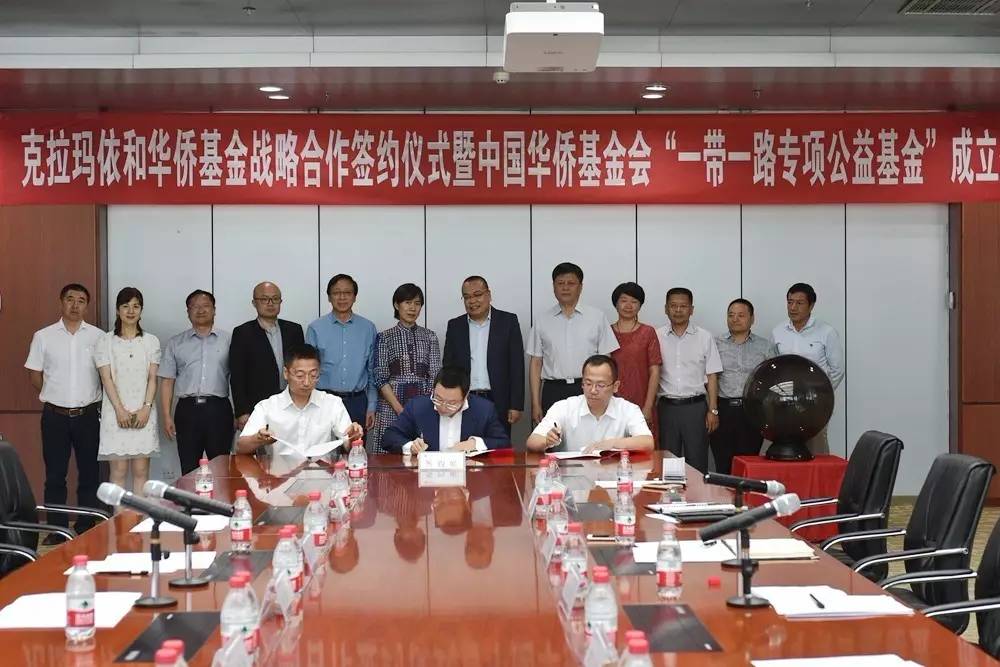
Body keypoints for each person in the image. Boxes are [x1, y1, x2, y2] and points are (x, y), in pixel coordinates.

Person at [24, 283, 104, 534]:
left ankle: (85, 527)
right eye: (70, 299)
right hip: (54, 416)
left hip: (88, 415)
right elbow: (35, 375)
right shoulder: (43, 336)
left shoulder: (98, 337)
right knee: (55, 476)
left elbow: (105, 375)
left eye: (81, 300)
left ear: (87, 306)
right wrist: (55, 395)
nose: (75, 305)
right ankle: (57, 530)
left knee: (89, 473)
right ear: (61, 302)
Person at [526, 262, 618, 426]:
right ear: (553, 287)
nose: (565, 288)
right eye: (560, 283)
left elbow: (606, 361)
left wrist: (606, 396)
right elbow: (536, 363)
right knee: (553, 438)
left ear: (580, 287)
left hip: (588, 389)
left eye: (571, 283)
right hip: (553, 390)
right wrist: (535, 403)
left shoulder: (597, 317)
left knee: (590, 437)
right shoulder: (542, 320)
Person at [236, 344, 363, 455]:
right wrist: (258, 438)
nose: (307, 382)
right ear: (286, 373)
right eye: (300, 375)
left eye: (313, 375)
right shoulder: (267, 406)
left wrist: (353, 437)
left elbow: (348, 444)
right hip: (280, 473)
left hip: (322, 472)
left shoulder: (332, 403)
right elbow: (240, 447)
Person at [158, 290, 233, 475]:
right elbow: (167, 381)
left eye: (206, 306)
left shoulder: (229, 341)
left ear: (214, 310)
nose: (201, 310)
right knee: (189, 468)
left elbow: (239, 379)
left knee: (221, 468)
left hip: (219, 410)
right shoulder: (176, 343)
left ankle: (221, 496)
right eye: (195, 307)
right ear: (188, 312)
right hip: (187, 411)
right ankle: (190, 496)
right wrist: (167, 416)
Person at [94, 287, 160, 495]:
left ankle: (140, 516)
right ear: (117, 310)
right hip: (115, 412)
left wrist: (146, 408)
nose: (131, 311)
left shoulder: (151, 341)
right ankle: (119, 517)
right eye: (125, 306)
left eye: (136, 306)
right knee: (118, 472)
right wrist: (120, 410)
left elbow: (152, 378)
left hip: (144, 412)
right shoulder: (105, 341)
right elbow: (106, 378)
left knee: (141, 472)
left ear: (141, 310)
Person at [442, 276, 525, 436]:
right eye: (467, 297)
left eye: (477, 295)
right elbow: (448, 367)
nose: (472, 301)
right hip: (465, 400)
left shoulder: (508, 322)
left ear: (489, 295)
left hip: (498, 400)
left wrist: (516, 404)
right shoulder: (455, 326)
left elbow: (517, 366)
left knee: (498, 446)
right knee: (466, 446)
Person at [770, 282, 845, 455]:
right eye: (790, 302)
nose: (793, 307)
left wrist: (819, 393)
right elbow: (774, 366)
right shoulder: (778, 331)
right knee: (782, 448)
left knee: (816, 449)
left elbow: (837, 370)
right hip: (784, 402)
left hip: (814, 403)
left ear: (811, 305)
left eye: (799, 303)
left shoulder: (826, 332)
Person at [655, 287, 722, 473]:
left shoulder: (704, 337)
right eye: (673, 306)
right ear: (666, 309)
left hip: (696, 408)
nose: (678, 310)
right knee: (669, 463)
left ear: (691, 309)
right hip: (666, 408)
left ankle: (697, 492)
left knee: (697, 460)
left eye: (683, 306)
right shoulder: (656, 336)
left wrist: (713, 410)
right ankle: (671, 492)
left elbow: (712, 375)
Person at [526, 355, 653, 453]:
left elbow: (647, 442)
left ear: (615, 386)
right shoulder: (564, 407)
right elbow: (532, 442)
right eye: (588, 383)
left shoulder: (628, 409)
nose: (593, 390)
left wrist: (611, 444)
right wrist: (547, 441)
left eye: (600, 385)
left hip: (613, 476)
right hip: (572, 477)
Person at [368, 283, 441, 453]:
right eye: (407, 302)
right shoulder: (384, 337)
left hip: (424, 406)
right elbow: (380, 377)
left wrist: (423, 408)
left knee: (422, 454)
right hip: (390, 407)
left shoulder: (430, 336)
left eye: (417, 303)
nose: (412, 308)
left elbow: (436, 375)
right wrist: (400, 410)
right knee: (389, 455)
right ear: (396, 305)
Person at [382, 366, 509, 455]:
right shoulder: (417, 406)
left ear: (466, 396)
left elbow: (503, 443)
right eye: (438, 399)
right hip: (427, 478)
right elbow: (389, 437)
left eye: (452, 403)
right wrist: (411, 447)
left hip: (469, 478)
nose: (443, 407)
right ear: (433, 390)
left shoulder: (484, 409)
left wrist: (475, 444)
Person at [230, 281, 305, 432]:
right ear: (254, 303)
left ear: (281, 302)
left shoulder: (294, 330)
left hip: (292, 403)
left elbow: (302, 367)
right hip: (257, 406)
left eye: (275, 299)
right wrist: (242, 412)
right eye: (264, 299)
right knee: (261, 446)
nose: (270, 303)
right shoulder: (242, 333)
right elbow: (237, 376)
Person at [307, 274, 378, 431]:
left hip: (357, 402)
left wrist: (372, 405)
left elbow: (372, 371)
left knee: (355, 445)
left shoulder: (368, 328)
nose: (342, 297)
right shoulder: (315, 328)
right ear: (329, 297)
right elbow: (308, 371)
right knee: (323, 445)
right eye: (336, 293)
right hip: (323, 401)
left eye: (347, 293)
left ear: (355, 297)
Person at [711, 298, 774, 474]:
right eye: (731, 315)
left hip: (752, 411)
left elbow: (772, 379)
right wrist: (712, 410)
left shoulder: (765, 346)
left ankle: (746, 492)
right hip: (723, 410)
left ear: (752, 319)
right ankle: (724, 492)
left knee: (749, 463)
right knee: (723, 463)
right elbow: (709, 377)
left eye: (741, 315)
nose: (735, 319)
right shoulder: (715, 344)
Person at [608, 282, 662, 443]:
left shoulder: (648, 332)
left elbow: (655, 371)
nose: (628, 305)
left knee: (643, 449)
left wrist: (648, 406)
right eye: (624, 300)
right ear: (616, 304)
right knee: (613, 449)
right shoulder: (606, 331)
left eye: (634, 301)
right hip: (612, 403)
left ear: (640, 305)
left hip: (641, 401)